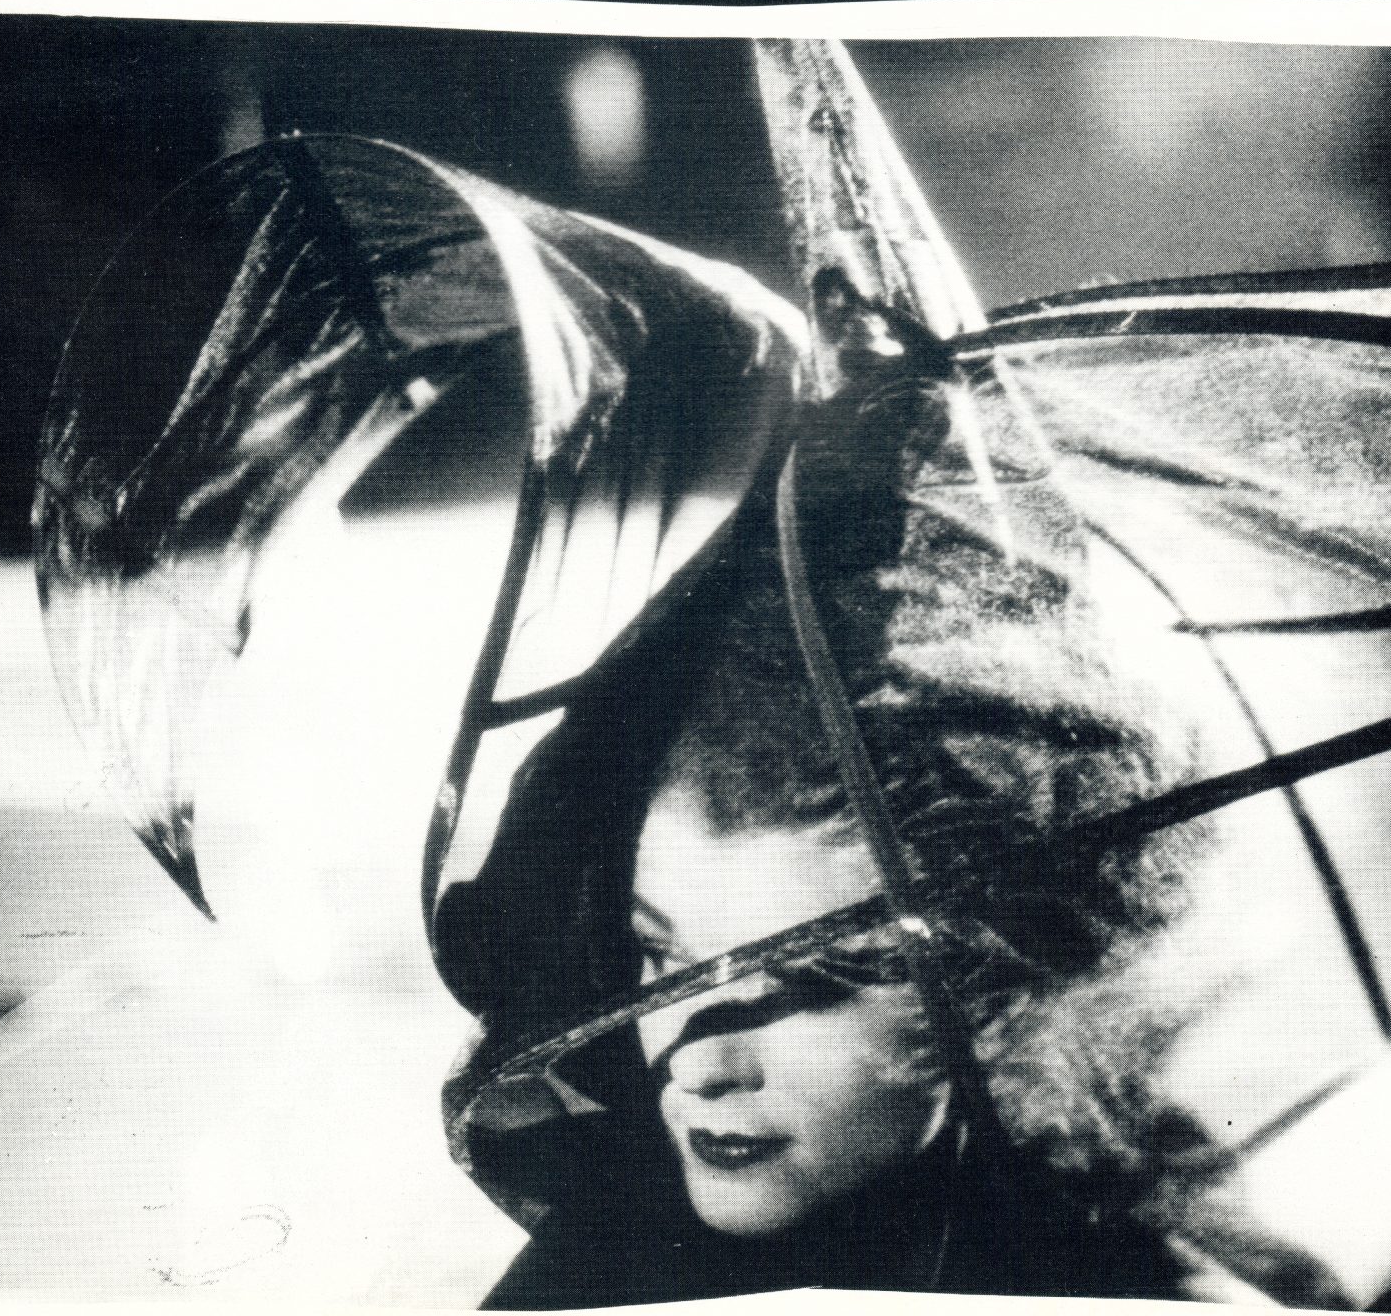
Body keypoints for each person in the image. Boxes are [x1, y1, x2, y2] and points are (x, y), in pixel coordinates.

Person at [433, 280, 1343, 1308]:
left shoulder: (1151, 1298)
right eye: (663, 955)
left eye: (815, 972)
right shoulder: (605, 1266)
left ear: (1002, 985)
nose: (698, 1061)